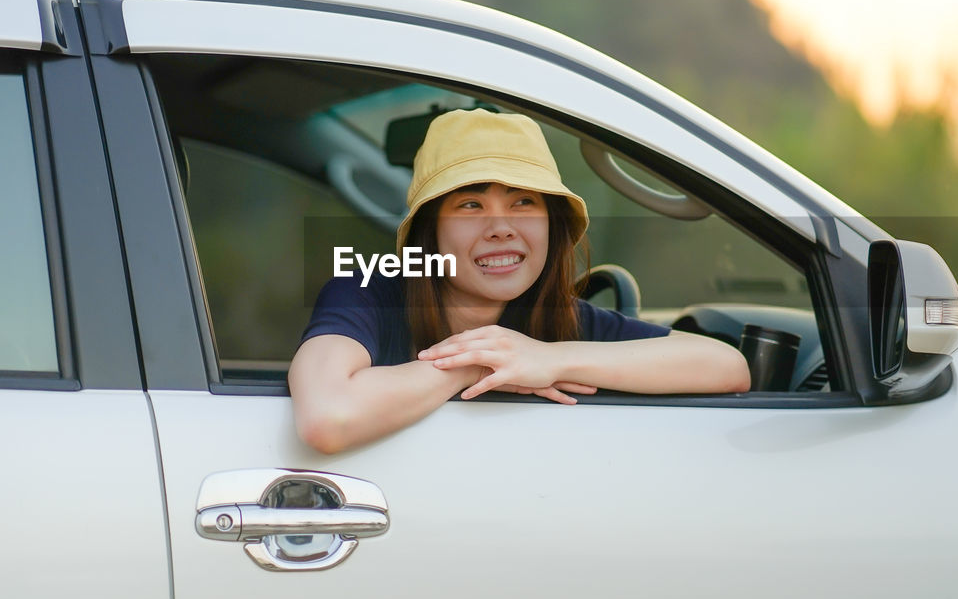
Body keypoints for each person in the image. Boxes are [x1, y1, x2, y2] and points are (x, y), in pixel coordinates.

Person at [289, 109, 750, 453]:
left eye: (523, 202)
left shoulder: (561, 322)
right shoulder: (368, 292)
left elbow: (728, 368)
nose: (501, 227)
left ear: (552, 224)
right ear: (430, 231)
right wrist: (484, 363)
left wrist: (550, 357)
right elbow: (328, 417)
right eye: (470, 205)